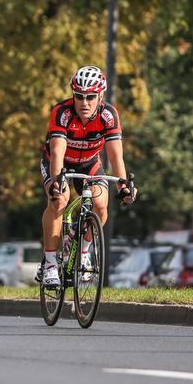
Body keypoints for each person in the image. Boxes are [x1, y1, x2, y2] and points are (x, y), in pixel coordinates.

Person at [39, 66, 135, 287]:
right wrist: (56, 182)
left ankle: (84, 251)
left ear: (100, 95)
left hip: (89, 163)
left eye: (90, 97)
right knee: (59, 200)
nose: (84, 102)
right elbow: (57, 153)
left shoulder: (108, 115)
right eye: (79, 96)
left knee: (101, 205)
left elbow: (115, 156)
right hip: (59, 161)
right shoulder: (61, 112)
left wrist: (123, 188)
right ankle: (51, 263)